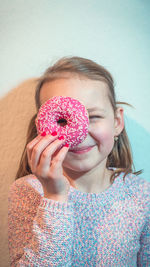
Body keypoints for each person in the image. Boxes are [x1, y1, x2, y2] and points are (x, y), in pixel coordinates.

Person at [8, 56, 150, 266]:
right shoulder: (27, 191)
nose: (80, 134)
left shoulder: (142, 196)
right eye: (63, 120)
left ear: (117, 122)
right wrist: (54, 196)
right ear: (41, 125)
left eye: (92, 117)